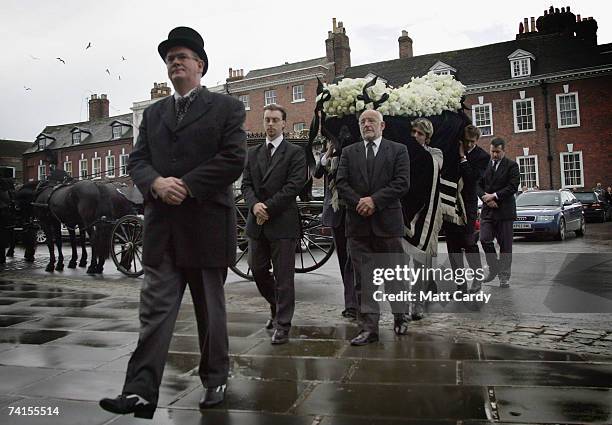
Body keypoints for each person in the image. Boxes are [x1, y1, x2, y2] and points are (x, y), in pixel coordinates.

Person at [99, 26, 247, 419]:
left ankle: (215, 379)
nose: (174, 62)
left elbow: (234, 158)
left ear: (200, 64)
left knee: (209, 313)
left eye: (182, 56)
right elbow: (137, 160)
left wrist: (186, 185)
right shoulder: (154, 114)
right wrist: (156, 183)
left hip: (207, 226)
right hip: (162, 229)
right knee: (155, 312)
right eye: (169, 58)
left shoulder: (227, 109)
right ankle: (138, 391)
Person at [336, 109, 411, 346]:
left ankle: (400, 316)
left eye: (371, 121)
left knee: (393, 277)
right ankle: (369, 328)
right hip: (358, 226)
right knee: (364, 280)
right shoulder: (349, 152)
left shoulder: (398, 150)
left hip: (387, 224)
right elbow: (341, 182)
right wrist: (359, 201)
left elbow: (402, 183)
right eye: (362, 121)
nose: (366, 124)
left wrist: (374, 201)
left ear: (382, 126)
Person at [241, 104, 306, 345]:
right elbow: (246, 184)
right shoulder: (253, 153)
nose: (270, 124)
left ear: (283, 124)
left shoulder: (295, 153)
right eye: (267, 120)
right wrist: (254, 205)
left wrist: (266, 208)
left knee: (284, 276)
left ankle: (283, 325)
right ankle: (276, 305)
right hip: (257, 223)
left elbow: (294, 185)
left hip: (282, 222)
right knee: (256, 269)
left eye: (275, 120)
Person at [442, 125, 490, 293]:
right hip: (450, 203)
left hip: (468, 205)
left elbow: (472, 179)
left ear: (477, 140)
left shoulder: (483, 156)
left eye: (472, 142)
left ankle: (477, 279)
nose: (469, 144)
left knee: (469, 243)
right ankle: (460, 284)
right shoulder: (450, 151)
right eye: (466, 141)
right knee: (452, 246)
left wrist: (463, 158)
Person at [313, 142, 357, 319]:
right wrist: (328, 153)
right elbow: (316, 172)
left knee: (355, 257)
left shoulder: (353, 151)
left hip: (353, 211)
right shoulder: (327, 155)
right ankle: (351, 302)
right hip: (336, 211)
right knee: (343, 259)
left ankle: (355, 301)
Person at [405, 118, 444, 318]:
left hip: (426, 213)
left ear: (427, 137)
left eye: (420, 133)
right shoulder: (402, 153)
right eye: (412, 132)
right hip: (405, 212)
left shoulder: (435, 154)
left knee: (421, 262)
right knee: (401, 262)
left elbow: (433, 168)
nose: (415, 137)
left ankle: (417, 303)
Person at [479, 138, 520, 288]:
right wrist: (486, 198)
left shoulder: (512, 166)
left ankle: (504, 276)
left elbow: (513, 186)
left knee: (505, 246)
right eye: (492, 152)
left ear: (503, 151)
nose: (494, 155)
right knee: (484, 239)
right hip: (488, 210)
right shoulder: (485, 165)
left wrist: (495, 195)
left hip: (505, 212)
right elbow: (477, 184)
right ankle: (494, 267)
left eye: (497, 152)